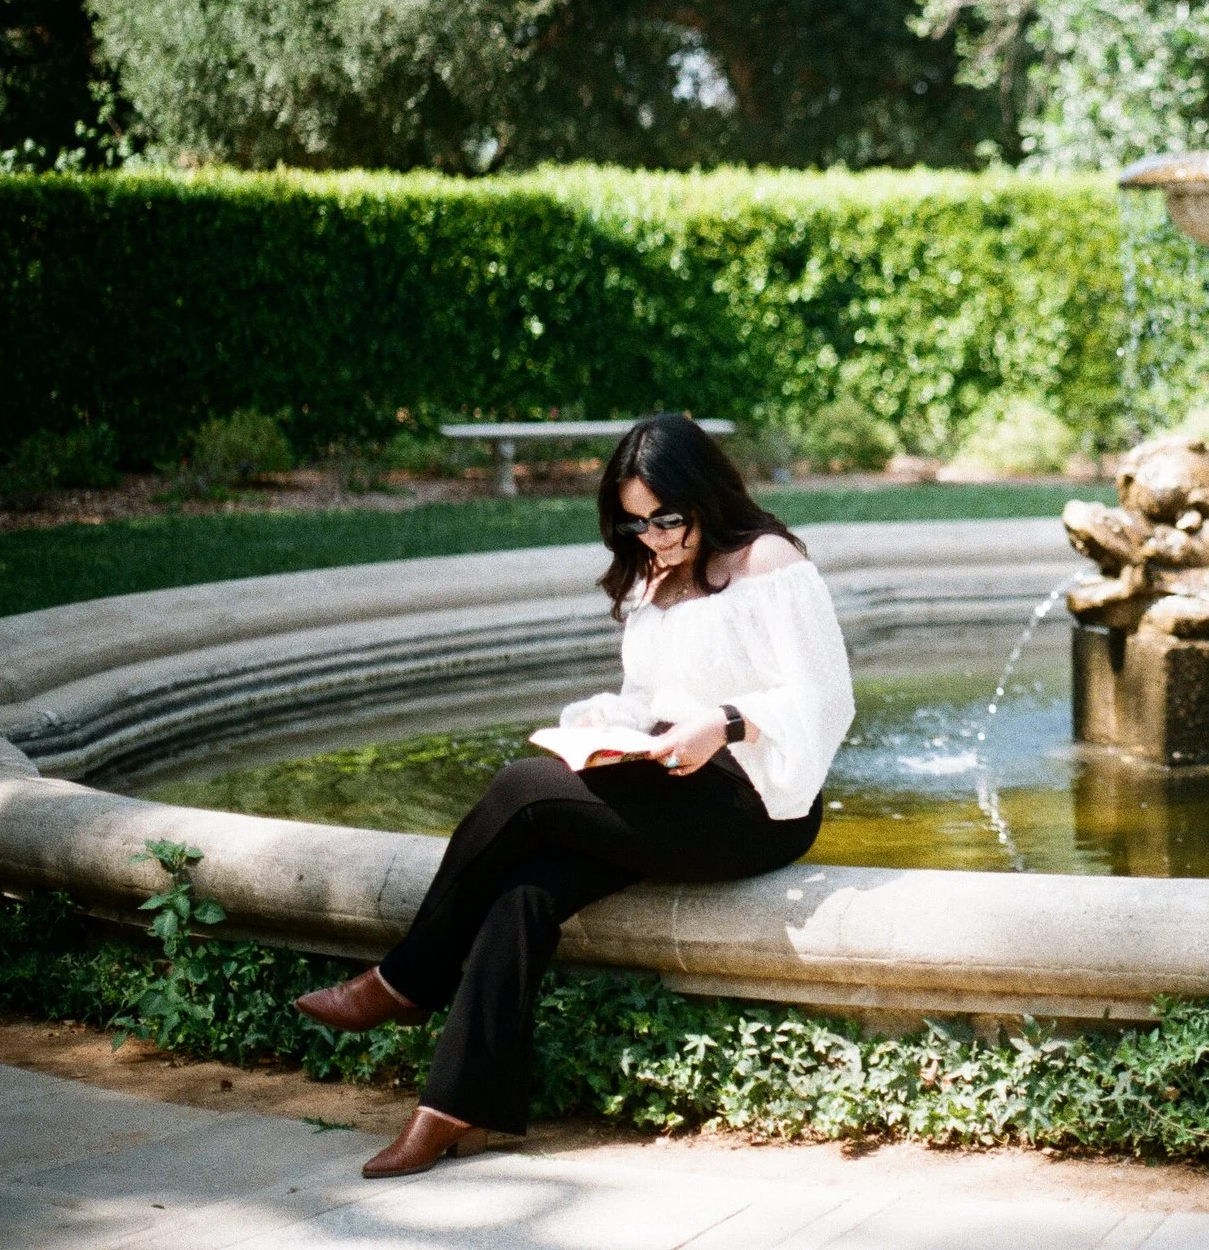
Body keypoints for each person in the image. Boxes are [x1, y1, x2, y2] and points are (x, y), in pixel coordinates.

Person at [292, 413, 854, 1177]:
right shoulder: (654, 575)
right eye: (635, 520)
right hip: (671, 782)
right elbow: (650, 694)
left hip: (756, 802)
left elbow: (827, 699)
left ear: (705, 494)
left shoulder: (768, 560)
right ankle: (459, 1108)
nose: (652, 536)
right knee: (525, 887)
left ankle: (405, 979)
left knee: (523, 791)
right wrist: (607, 722)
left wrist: (723, 724)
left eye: (667, 517)